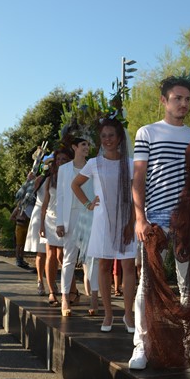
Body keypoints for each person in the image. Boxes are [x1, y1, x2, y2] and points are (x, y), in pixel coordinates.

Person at [128, 75, 190, 369]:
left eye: (186, 99)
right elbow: (139, 178)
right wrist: (139, 218)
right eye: (177, 98)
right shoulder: (147, 132)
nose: (183, 104)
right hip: (155, 222)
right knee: (147, 285)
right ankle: (141, 347)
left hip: (186, 222)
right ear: (164, 100)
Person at [72, 117, 136, 332]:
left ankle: (128, 315)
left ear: (119, 138)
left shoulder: (130, 163)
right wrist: (88, 204)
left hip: (126, 220)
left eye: (111, 135)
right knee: (104, 266)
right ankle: (108, 315)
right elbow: (76, 184)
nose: (107, 139)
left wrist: (131, 223)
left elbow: (137, 196)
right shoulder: (94, 163)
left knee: (128, 266)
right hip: (102, 221)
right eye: (104, 136)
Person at [56, 136, 91, 317]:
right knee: (69, 259)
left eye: (88, 145)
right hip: (70, 216)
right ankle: (64, 298)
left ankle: (93, 298)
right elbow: (60, 197)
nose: (86, 147)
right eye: (83, 144)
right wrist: (59, 222)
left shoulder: (93, 165)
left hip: (89, 216)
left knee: (91, 259)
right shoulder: (64, 169)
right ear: (75, 147)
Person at [40, 148, 73, 306]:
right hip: (51, 219)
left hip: (67, 219)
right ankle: (52, 291)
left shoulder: (73, 178)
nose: (60, 162)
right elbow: (45, 203)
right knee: (51, 254)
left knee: (64, 256)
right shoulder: (50, 179)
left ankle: (72, 289)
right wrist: (41, 223)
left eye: (64, 159)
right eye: (58, 159)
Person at [24, 158, 52, 295]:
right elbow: (26, 193)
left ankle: (52, 283)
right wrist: (29, 180)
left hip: (54, 213)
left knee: (54, 252)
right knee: (41, 251)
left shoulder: (60, 178)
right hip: (40, 211)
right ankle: (40, 280)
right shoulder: (40, 179)